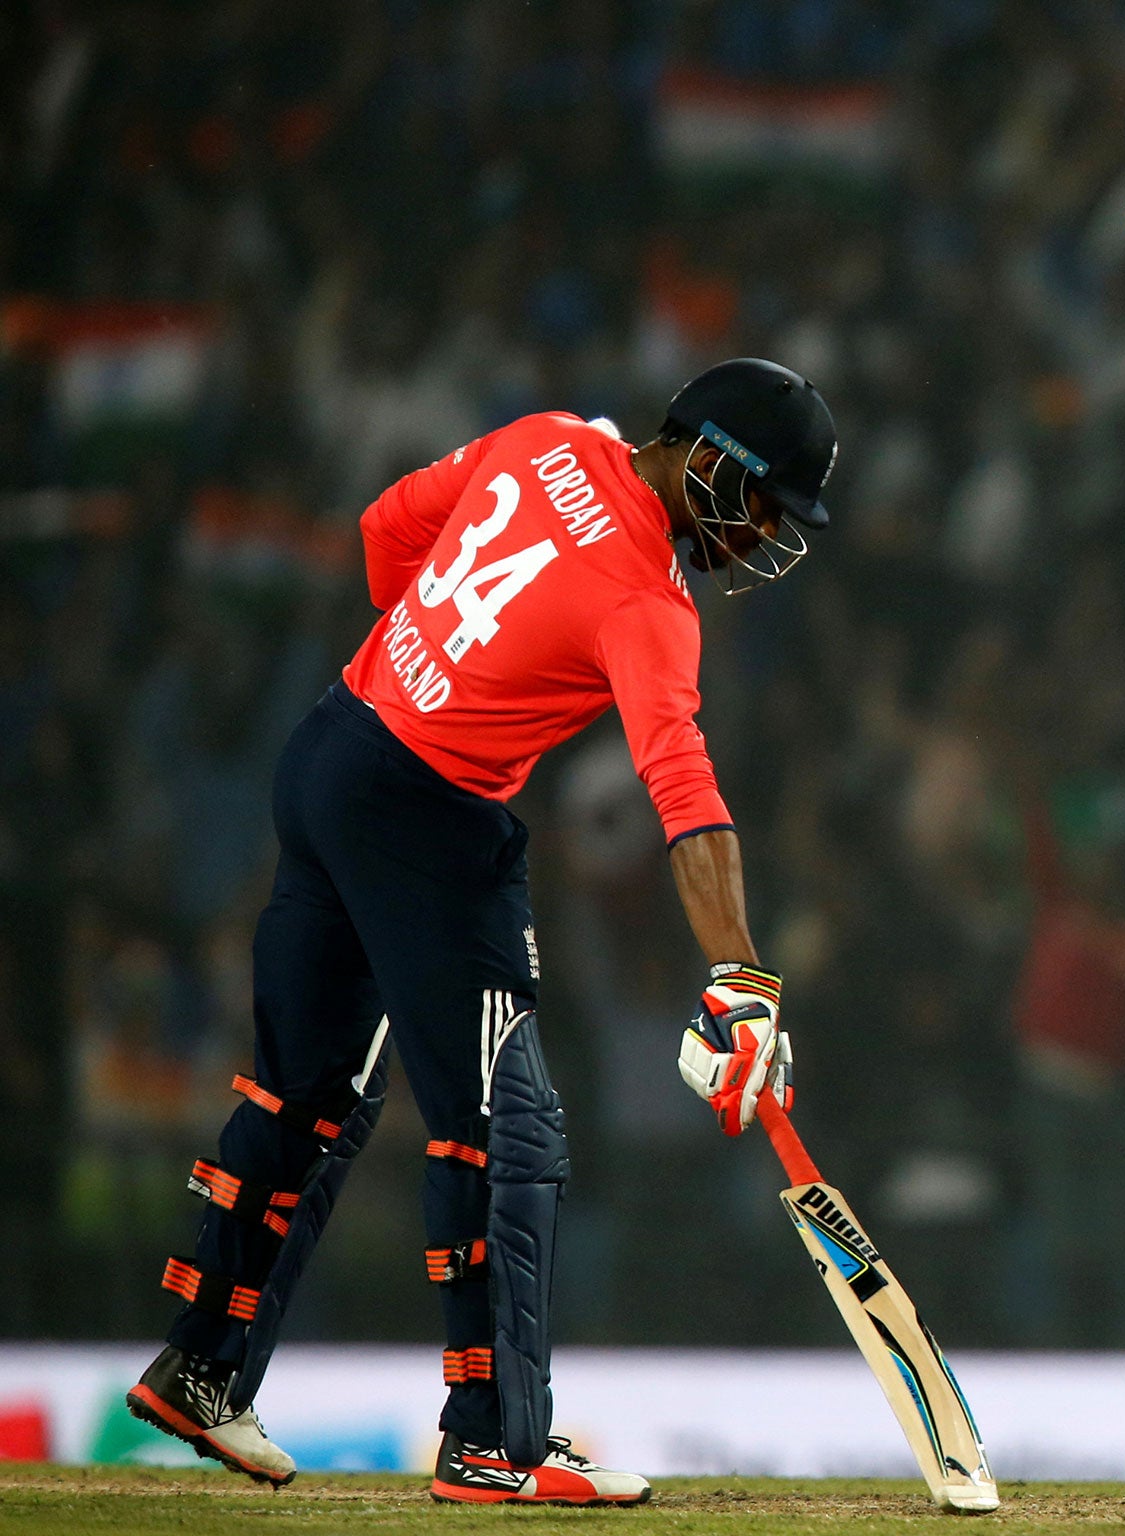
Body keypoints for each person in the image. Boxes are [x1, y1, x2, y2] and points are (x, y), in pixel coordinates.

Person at [125, 358, 838, 1505]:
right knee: (508, 1126)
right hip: (429, 819)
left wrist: (446, 666)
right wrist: (739, 975)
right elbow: (685, 794)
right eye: (761, 502)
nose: (758, 537)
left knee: (305, 1096)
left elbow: (381, 533)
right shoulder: (648, 600)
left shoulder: (545, 437)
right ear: (709, 456)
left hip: (333, 746)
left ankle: (201, 1366)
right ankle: (498, 1439)